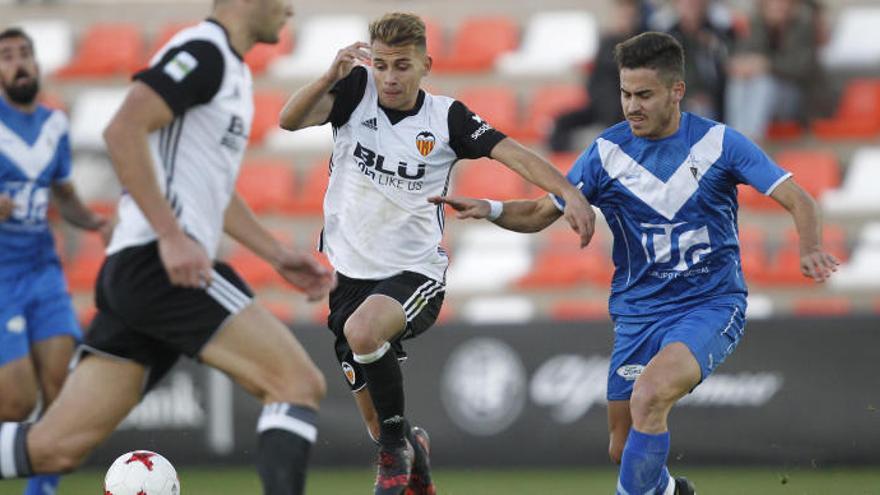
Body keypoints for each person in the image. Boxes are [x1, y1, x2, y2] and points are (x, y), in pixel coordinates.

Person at [432, 32, 839, 495]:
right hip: (637, 313)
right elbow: (541, 213)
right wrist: (492, 208)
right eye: (626, 94)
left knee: (650, 395)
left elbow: (799, 198)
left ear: (676, 91)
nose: (631, 106)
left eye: (644, 95)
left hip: (708, 305)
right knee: (622, 447)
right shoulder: (606, 153)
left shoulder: (720, 144)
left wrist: (809, 248)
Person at [0, 2, 337, 495]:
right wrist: (171, 235)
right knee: (296, 385)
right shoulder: (204, 53)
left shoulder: (229, 70)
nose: (289, 8)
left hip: (143, 273)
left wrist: (275, 253)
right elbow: (123, 129)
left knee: (55, 446)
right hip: (161, 268)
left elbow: (210, 190)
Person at [278, 12, 594, 495]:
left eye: (402, 66)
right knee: (379, 418)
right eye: (381, 65)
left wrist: (568, 192)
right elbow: (288, 120)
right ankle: (411, 450)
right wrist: (328, 76)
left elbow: (515, 154)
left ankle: (393, 452)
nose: (389, 77)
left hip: (414, 273)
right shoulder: (353, 91)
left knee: (366, 340)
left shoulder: (446, 118)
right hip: (347, 278)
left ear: (426, 64)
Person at [0, 26, 111, 495]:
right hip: (2, 279)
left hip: (44, 271)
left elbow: (62, 194)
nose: (20, 63)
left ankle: (40, 492)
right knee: (16, 402)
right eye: (7, 56)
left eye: (25, 53)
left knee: (64, 398)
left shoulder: (54, 124)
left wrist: (96, 223)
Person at [725, 0, 830, 140]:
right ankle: (734, 139)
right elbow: (748, 55)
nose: (778, 5)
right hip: (765, 98)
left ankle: (750, 142)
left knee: (765, 84)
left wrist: (767, 65)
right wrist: (743, 65)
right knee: (738, 80)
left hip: (800, 98)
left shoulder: (804, 25)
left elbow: (800, 68)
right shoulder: (758, 23)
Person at [548, 0, 642, 152]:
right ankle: (561, 165)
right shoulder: (607, 42)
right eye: (623, 14)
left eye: (629, 15)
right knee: (562, 122)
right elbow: (597, 78)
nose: (625, 19)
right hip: (601, 104)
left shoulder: (643, 43)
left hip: (624, 106)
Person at [664, 0, 735, 121]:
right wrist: (689, 95)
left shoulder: (719, 33)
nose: (692, 6)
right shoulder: (669, 37)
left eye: (696, 3)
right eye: (687, 3)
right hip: (681, 97)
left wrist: (714, 45)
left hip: (716, 98)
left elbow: (729, 65)